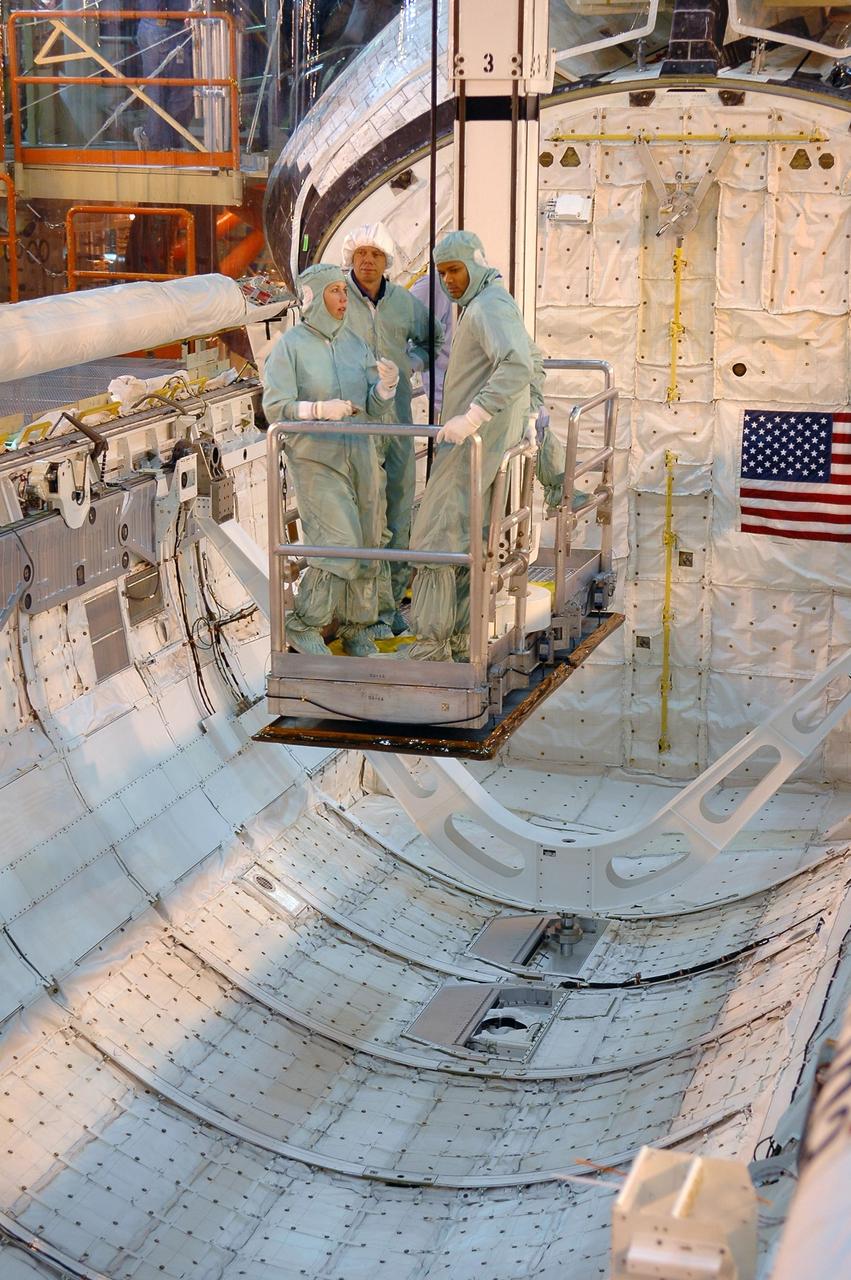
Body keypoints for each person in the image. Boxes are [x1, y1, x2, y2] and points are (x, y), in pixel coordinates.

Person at [405, 231, 539, 662]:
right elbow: (531, 359)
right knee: (465, 540)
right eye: (443, 273)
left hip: (472, 442)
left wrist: (474, 416)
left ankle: (431, 646)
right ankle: (460, 637)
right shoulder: (488, 303)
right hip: (480, 441)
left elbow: (517, 361)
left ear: (476, 264)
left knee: (434, 539)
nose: (449, 281)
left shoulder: (487, 307)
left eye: (456, 270)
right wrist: (531, 410)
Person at [262, 262, 399, 657]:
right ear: (313, 298)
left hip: (361, 454)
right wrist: (319, 409)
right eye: (335, 291)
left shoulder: (354, 343)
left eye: (344, 290)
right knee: (338, 543)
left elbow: (371, 409)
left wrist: (386, 389)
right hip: (316, 460)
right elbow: (275, 407)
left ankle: (358, 627)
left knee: (370, 543)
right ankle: (304, 624)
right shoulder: (291, 347)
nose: (344, 298)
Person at [341, 222, 444, 635]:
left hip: (397, 422)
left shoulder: (402, 303)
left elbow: (431, 339)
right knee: (366, 516)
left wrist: (411, 364)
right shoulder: (336, 300)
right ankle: (363, 611)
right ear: (351, 257)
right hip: (355, 422)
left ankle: (390, 606)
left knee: (399, 512)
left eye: (376, 255)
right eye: (362, 254)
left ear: (387, 262)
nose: (367, 261)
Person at [135, 0, 195, 150]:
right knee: (162, 92)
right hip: (162, 24)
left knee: (176, 93)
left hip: (172, 25)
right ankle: (158, 142)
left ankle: (161, 140)